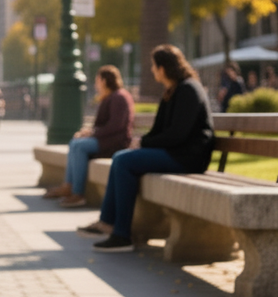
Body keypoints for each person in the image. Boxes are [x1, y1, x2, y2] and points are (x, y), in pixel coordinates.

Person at [80, 44, 214, 252]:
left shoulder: (189, 89)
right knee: (121, 158)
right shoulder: (172, 91)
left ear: (163, 68)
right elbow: (159, 130)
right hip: (175, 153)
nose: (152, 71)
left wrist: (144, 143)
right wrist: (141, 142)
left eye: (154, 66)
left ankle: (122, 235)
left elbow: (178, 134)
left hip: (188, 157)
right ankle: (108, 223)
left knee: (124, 161)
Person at [46, 65, 134, 207]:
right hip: (106, 140)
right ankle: (68, 186)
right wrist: (88, 132)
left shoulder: (119, 97)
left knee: (79, 146)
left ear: (104, 81)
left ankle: (78, 194)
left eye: (97, 80)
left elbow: (115, 126)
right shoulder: (110, 97)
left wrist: (92, 133)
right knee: (75, 142)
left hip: (115, 143)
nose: (95, 84)